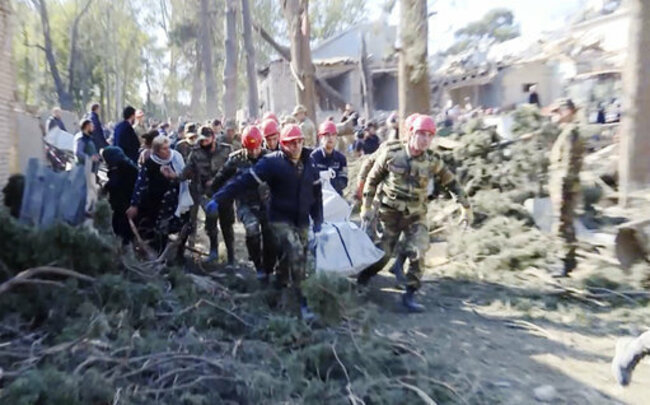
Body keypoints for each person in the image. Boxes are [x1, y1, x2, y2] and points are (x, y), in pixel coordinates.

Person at [205, 124, 323, 320]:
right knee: (296, 253)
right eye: (291, 143)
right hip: (279, 218)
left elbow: (317, 194)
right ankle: (304, 303)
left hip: (301, 219)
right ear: (283, 145)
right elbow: (242, 181)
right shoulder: (271, 163)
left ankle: (278, 283)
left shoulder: (310, 163)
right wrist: (217, 198)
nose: (296, 147)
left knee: (293, 255)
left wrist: (318, 219)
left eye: (299, 142)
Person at [358, 115, 473, 312]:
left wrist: (465, 206)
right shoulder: (392, 153)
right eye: (421, 134)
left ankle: (409, 295)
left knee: (419, 251)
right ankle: (363, 279)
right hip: (390, 213)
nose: (425, 139)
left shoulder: (433, 161)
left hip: (415, 215)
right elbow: (373, 179)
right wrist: (366, 207)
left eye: (429, 135)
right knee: (382, 255)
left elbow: (451, 183)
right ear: (411, 134)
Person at [211, 126, 274, 281]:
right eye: (250, 149)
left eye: (257, 148)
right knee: (252, 229)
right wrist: (215, 196)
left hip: (266, 202)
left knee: (270, 233)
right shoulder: (235, 159)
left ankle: (269, 267)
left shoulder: (270, 158)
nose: (254, 152)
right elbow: (220, 177)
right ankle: (258, 266)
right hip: (245, 203)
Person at [126, 135, 192, 254]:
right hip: (158, 204)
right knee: (160, 232)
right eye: (163, 149)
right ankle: (160, 257)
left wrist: (175, 177)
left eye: (168, 148)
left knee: (184, 228)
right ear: (156, 151)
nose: (167, 151)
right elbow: (140, 184)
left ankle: (179, 255)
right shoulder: (150, 164)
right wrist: (134, 204)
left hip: (177, 201)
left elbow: (185, 176)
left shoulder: (176, 159)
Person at [179, 126, 234, 263]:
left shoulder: (226, 150)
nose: (203, 143)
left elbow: (234, 169)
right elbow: (185, 172)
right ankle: (214, 250)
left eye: (206, 140)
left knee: (227, 225)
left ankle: (231, 256)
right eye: (201, 140)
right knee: (211, 222)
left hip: (225, 192)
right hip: (206, 194)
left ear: (213, 138)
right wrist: (174, 176)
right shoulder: (196, 153)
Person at [548, 99, 584, 278]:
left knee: (562, 223)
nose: (553, 116)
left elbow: (569, 163)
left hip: (565, 185)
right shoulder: (566, 132)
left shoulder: (570, 133)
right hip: (563, 184)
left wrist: (563, 188)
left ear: (567, 111)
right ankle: (569, 260)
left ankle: (564, 261)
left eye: (556, 112)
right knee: (565, 223)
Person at [102, 146, 138, 245]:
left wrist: (105, 188)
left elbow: (115, 185)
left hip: (123, 205)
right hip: (129, 202)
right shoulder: (128, 165)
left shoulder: (119, 169)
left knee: (121, 227)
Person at [311, 120, 348, 195]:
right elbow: (309, 180)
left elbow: (344, 180)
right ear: (320, 137)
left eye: (333, 135)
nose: (330, 138)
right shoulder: (313, 157)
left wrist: (332, 185)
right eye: (327, 135)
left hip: (336, 196)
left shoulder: (341, 158)